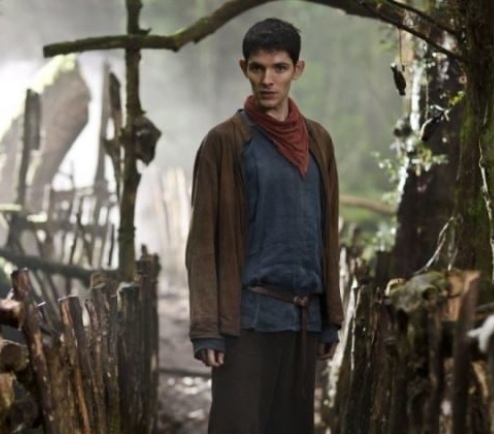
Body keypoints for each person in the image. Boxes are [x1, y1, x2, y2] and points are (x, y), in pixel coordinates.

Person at [185, 18, 344, 434]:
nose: (267, 80)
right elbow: (202, 241)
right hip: (248, 322)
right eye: (258, 68)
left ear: (298, 70)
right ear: (244, 69)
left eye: (279, 68)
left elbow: (328, 230)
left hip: (303, 322)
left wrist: (330, 316)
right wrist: (207, 329)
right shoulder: (226, 141)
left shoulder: (319, 140)